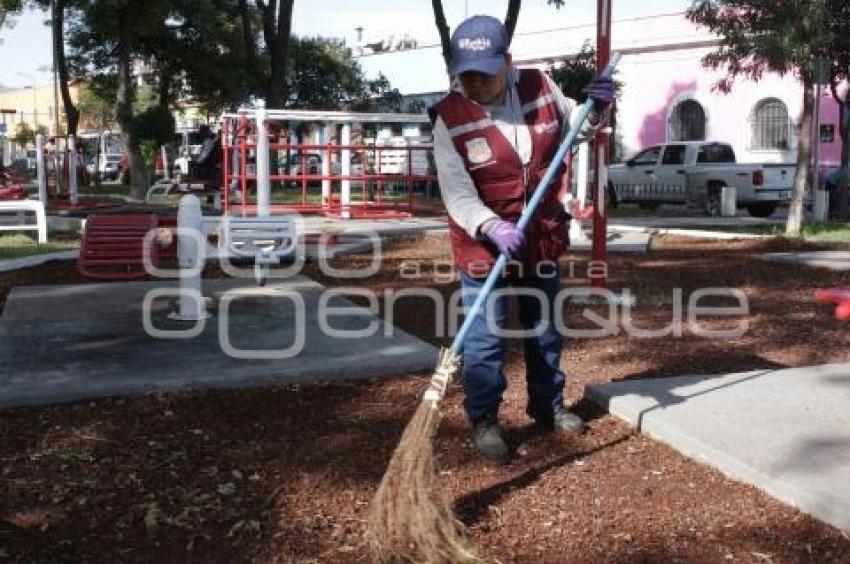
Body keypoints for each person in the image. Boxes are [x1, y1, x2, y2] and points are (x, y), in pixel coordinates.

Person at [430, 15, 614, 462]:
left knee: (545, 329)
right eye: (465, 73)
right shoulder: (449, 118)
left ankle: (547, 407)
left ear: (507, 62)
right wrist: (490, 225)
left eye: (483, 73)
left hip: (540, 237)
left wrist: (598, 108)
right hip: (482, 245)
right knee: (485, 338)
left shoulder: (540, 87)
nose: (473, 83)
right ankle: (485, 420)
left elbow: (579, 128)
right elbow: (456, 192)